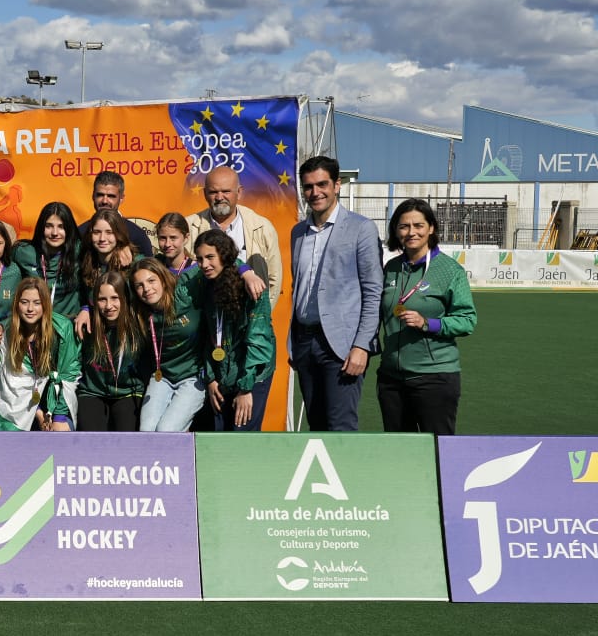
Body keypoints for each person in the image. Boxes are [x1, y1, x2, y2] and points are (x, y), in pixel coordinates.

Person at [290, 155, 384, 431]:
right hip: (305, 342)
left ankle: (348, 475)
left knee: (340, 426)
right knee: (316, 425)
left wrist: (361, 345)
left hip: (342, 345)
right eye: (308, 186)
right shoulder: (298, 232)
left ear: (337, 185)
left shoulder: (361, 228)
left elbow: (372, 290)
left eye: (322, 184)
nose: (315, 192)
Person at [377, 198, 477, 434]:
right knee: (400, 451)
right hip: (391, 378)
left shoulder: (450, 270)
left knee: (439, 451)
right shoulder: (391, 268)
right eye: (404, 226)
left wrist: (427, 323)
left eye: (418, 225)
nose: (411, 232)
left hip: (434, 377)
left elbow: (467, 320)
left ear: (431, 228)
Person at [196, 230, 275, 431]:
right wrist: (211, 378)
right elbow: (207, 337)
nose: (204, 264)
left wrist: (246, 389)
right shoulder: (206, 284)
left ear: (224, 255)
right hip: (221, 374)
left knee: (242, 437)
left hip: (252, 375)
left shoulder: (252, 288)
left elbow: (258, 341)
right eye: (200, 259)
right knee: (220, 437)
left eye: (210, 257)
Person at [185, 166, 283, 307]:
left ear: (239, 192)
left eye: (226, 191)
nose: (219, 197)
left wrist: (260, 316)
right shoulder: (189, 227)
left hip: (248, 316)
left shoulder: (262, 227)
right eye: (213, 192)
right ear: (205, 193)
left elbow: (274, 278)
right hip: (204, 319)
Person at [130, 256, 207, 433]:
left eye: (151, 281)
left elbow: (219, 258)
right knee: (147, 431)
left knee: (166, 430)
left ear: (163, 279)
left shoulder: (184, 292)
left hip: (193, 377)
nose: (146, 289)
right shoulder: (140, 311)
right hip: (162, 377)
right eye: (139, 285)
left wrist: (246, 272)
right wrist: (86, 309)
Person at [0, 277, 79, 430]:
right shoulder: (8, 330)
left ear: (45, 305)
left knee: (62, 431)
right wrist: (38, 414)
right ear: (16, 304)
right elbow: (11, 381)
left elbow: (68, 375)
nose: (30, 309)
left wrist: (58, 416)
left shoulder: (62, 328)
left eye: (37, 303)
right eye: (24, 302)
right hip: (19, 403)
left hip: (53, 398)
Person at [76, 270, 145, 431]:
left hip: (128, 391)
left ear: (125, 298)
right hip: (93, 392)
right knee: (91, 440)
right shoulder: (86, 326)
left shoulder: (139, 324)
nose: (109, 306)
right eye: (102, 299)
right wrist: (85, 309)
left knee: (125, 437)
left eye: (115, 298)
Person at [13, 201, 84, 321]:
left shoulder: (80, 251)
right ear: (41, 228)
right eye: (49, 226)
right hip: (34, 327)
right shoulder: (23, 252)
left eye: (61, 227)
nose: (55, 233)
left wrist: (86, 308)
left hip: (67, 329)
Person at [78, 171, 153, 257]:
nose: (104, 201)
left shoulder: (136, 235)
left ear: (121, 198)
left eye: (111, 196)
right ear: (93, 196)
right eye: (100, 195)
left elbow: (149, 268)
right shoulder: (81, 233)